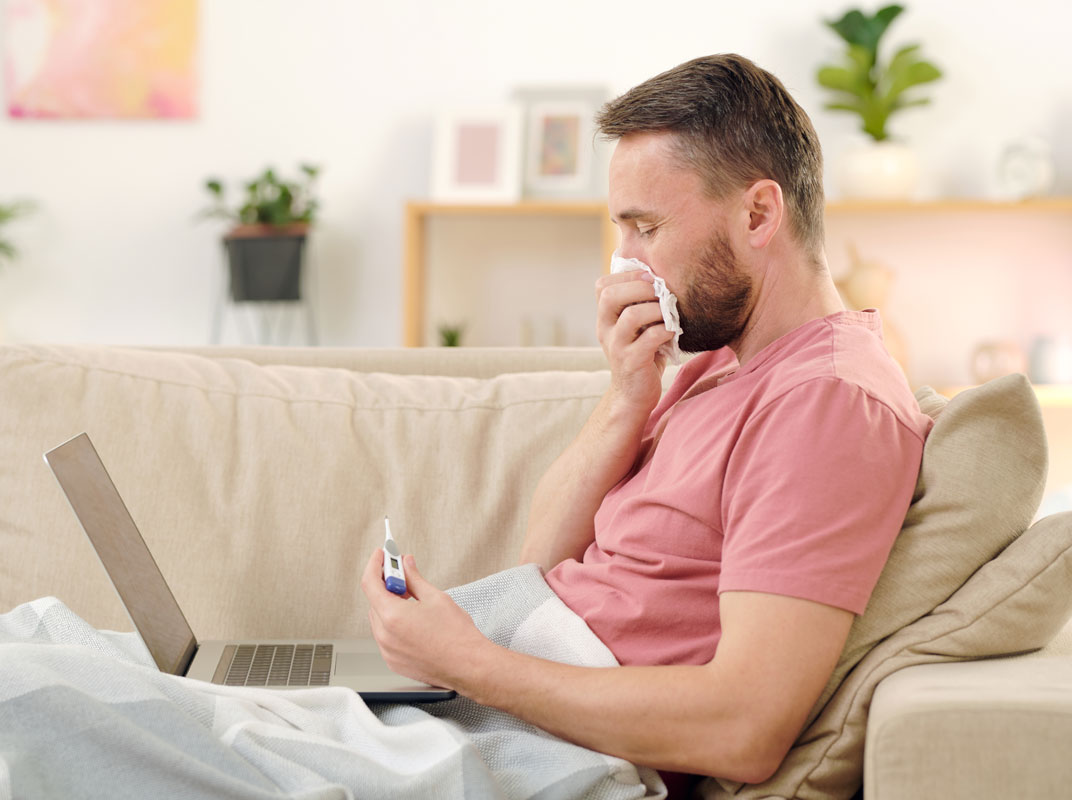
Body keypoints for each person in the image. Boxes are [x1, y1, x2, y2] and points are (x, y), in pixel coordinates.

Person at [361, 53, 933, 794]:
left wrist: (464, 662)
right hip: (490, 718)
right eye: (620, 231)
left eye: (646, 227)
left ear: (759, 214)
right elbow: (537, 562)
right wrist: (628, 396)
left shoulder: (827, 402)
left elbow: (745, 727)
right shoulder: (716, 363)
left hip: (543, 755)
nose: (624, 269)